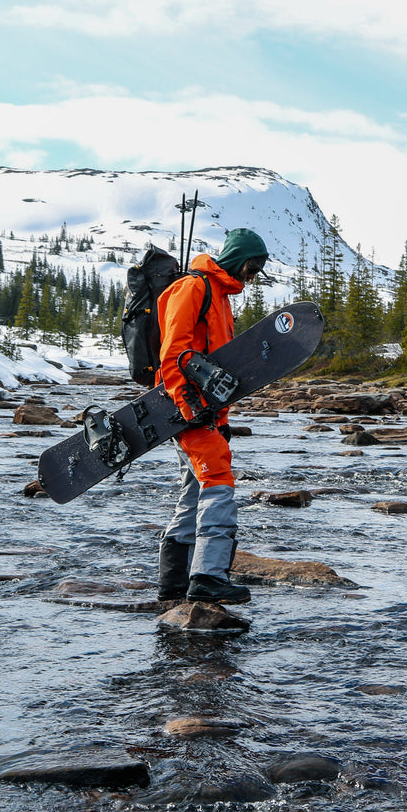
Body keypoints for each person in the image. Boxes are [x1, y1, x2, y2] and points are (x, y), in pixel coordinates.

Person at [155, 227, 270, 605]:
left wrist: (220, 421)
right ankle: (208, 576)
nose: (253, 276)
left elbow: (216, 362)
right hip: (184, 409)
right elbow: (174, 355)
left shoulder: (221, 297)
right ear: (240, 259)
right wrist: (192, 412)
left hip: (204, 412)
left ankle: (173, 583)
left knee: (194, 488)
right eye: (253, 267)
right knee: (217, 476)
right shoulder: (193, 288)